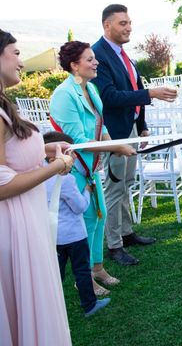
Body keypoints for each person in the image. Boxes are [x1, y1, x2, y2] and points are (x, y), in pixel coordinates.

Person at [0, 29, 75, 345]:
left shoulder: (4, 103)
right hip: (13, 229)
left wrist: (47, 151)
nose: (21, 61)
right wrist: (56, 167)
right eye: (16, 53)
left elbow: (14, 154)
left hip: (26, 223)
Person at [91, 4, 177, 266]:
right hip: (114, 134)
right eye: (122, 23)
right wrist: (152, 93)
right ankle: (114, 244)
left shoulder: (125, 55)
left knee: (127, 184)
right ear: (107, 25)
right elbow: (109, 97)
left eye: (129, 23)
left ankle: (127, 234)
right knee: (114, 188)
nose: (128, 28)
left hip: (131, 129)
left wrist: (142, 125)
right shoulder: (98, 55)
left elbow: (135, 86)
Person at [49, 41, 137, 295]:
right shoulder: (64, 95)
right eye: (89, 59)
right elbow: (76, 140)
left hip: (93, 167)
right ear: (74, 65)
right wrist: (117, 149)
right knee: (85, 222)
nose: (95, 62)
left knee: (100, 217)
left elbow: (103, 127)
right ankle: (84, 278)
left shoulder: (92, 90)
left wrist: (117, 144)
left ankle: (98, 268)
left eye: (94, 58)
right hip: (73, 169)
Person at [43, 131, 111, 318]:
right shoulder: (67, 180)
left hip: (53, 235)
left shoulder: (39, 175)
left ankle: (48, 307)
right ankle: (89, 304)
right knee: (81, 270)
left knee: (56, 273)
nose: (73, 156)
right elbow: (80, 207)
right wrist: (87, 191)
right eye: (70, 152)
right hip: (74, 235)